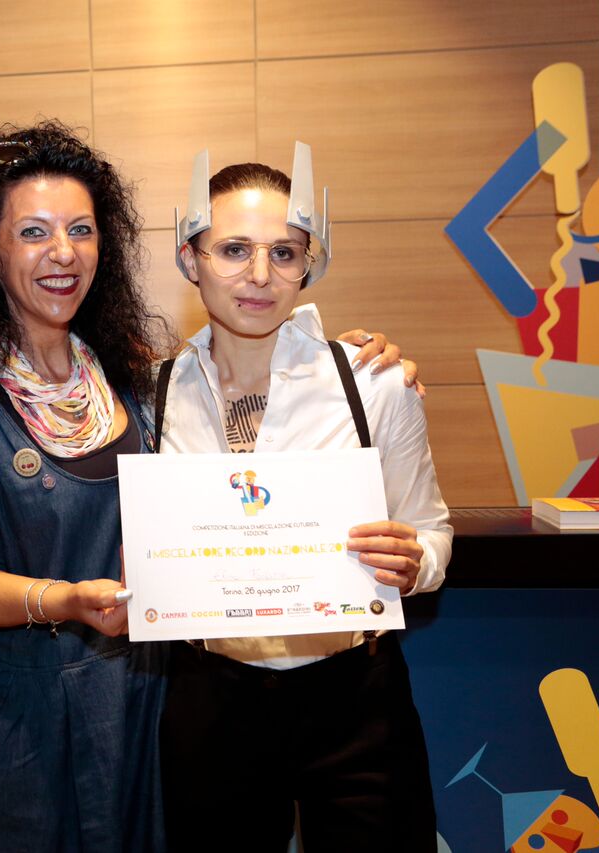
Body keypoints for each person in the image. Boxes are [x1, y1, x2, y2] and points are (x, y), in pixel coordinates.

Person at [0, 121, 413, 852]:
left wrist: (348, 356)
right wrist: (65, 600)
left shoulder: (133, 378)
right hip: (22, 708)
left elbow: (246, 366)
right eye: (34, 232)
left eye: (81, 229)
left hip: (138, 696)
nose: (63, 252)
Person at [154, 151, 451, 851]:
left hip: (357, 697)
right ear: (190, 258)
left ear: (308, 267)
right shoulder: (150, 394)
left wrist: (416, 562)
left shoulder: (374, 384)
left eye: (284, 253)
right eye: (234, 249)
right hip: (211, 696)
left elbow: (431, 530)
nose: (260, 275)